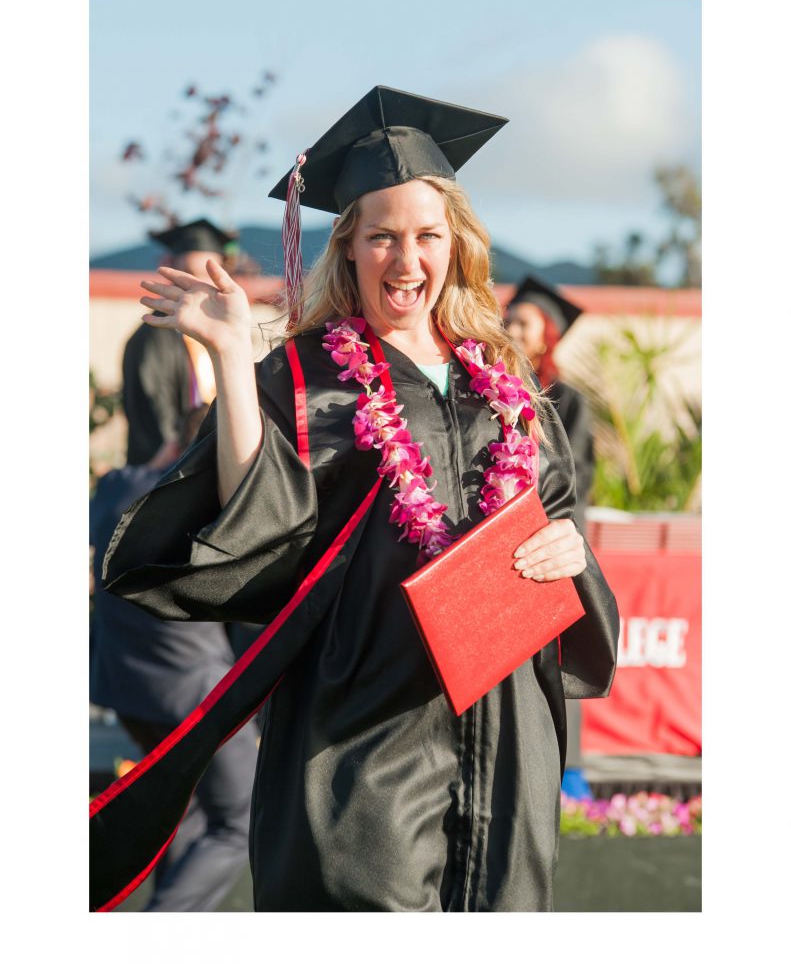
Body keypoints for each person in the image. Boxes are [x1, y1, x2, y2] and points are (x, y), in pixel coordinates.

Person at [92, 85, 619, 913]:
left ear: (457, 246)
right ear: (347, 248)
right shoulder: (302, 379)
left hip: (507, 731)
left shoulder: (507, 385)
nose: (405, 262)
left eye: (425, 236)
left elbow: (558, 525)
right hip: (361, 738)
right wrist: (235, 361)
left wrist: (571, 553)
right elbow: (255, 527)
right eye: (382, 237)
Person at [90, 407, 258, 912]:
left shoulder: (116, 486)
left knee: (184, 811)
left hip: (125, 691)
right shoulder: (210, 508)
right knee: (241, 819)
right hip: (191, 696)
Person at [121, 217, 232, 466]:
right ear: (170, 268)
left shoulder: (224, 331)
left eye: (211, 274)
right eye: (191, 274)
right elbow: (157, 425)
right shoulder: (152, 337)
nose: (202, 286)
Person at [506, 275, 594, 536]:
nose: (511, 332)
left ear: (546, 336)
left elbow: (575, 478)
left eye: (523, 324)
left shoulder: (567, 401)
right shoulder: (490, 390)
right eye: (508, 321)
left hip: (546, 528)